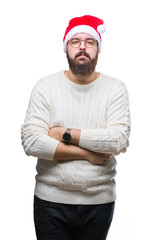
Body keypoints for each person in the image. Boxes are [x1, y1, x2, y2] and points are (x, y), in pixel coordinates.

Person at [21, 15, 131, 240]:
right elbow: (32, 142)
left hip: (99, 202)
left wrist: (66, 134)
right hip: (50, 202)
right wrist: (87, 154)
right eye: (75, 41)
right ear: (66, 48)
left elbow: (118, 140)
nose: (82, 47)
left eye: (90, 42)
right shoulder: (46, 87)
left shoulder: (115, 89)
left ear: (98, 49)